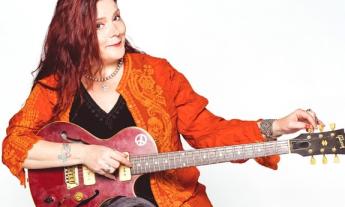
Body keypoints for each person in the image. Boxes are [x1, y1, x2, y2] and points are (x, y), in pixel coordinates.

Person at [2, 0, 322, 206]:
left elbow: (207, 131)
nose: (116, 30)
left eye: (116, 17)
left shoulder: (157, 73)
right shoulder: (57, 86)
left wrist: (276, 126)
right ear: (76, 33)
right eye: (100, 25)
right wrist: (86, 153)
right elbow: (15, 144)